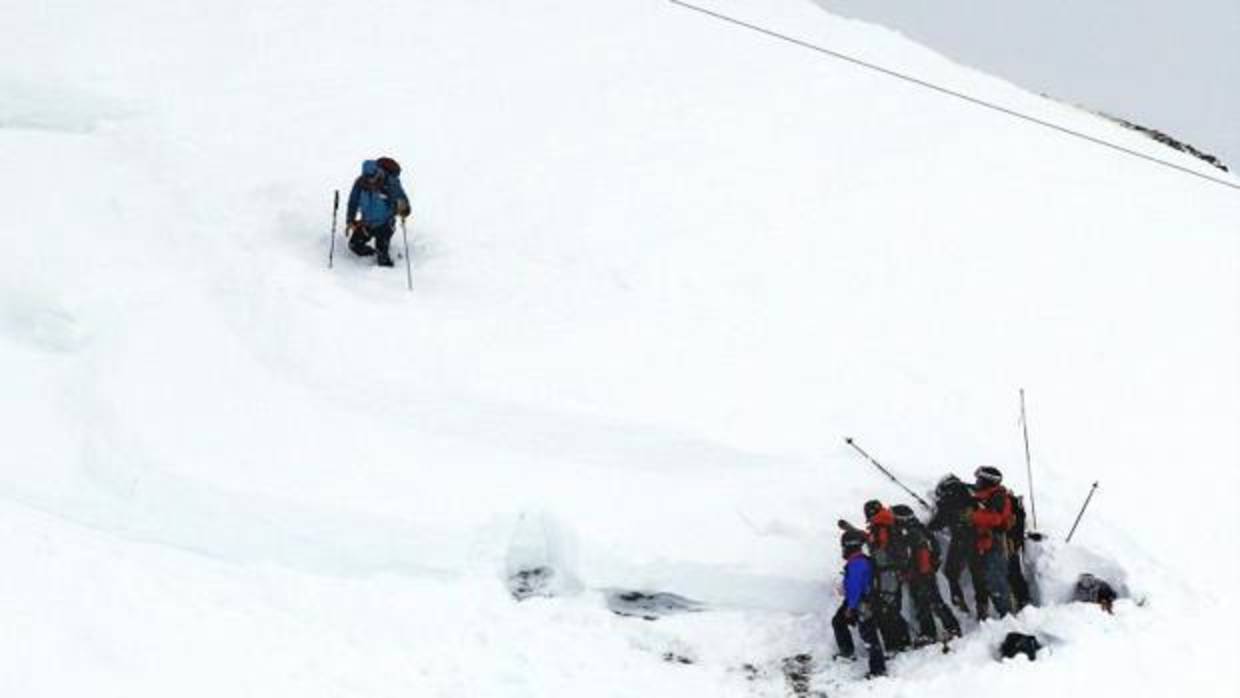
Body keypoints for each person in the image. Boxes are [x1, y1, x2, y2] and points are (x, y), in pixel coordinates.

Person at [892, 504, 961, 644]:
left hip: (921, 575)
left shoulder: (912, 533)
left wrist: (917, 573)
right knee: (927, 603)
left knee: (931, 603)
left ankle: (947, 629)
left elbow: (920, 555)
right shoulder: (919, 528)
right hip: (925, 573)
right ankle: (937, 631)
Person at [928, 474, 988, 616]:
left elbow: (937, 523)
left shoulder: (948, 499)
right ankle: (982, 607)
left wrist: (927, 525)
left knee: (951, 571)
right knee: (977, 574)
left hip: (961, 539)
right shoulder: (969, 494)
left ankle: (958, 602)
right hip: (978, 538)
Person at [830, 529, 887, 678]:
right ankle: (847, 652)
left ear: (849, 546)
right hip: (862, 601)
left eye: (843, 546)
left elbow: (855, 587)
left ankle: (878, 670)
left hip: (861, 603)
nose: (842, 549)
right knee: (838, 622)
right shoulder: (861, 560)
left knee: (869, 635)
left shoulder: (856, 564)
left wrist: (851, 608)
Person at [968, 466, 1015, 618]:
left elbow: (996, 519)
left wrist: (972, 517)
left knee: (996, 580)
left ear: (987, 481)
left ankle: (1007, 615)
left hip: (994, 542)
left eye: (979, 479)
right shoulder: (984, 494)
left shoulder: (998, 497)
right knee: (979, 579)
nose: (977, 482)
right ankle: (982, 613)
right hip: (980, 542)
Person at [345, 157, 410, 267]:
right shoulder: (360, 184)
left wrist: (403, 208)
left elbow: (403, 201)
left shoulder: (390, 183)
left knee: (383, 260)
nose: (371, 180)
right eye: (368, 177)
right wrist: (350, 220)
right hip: (367, 224)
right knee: (354, 245)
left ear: (377, 172)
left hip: (384, 225)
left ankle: (385, 265)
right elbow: (353, 202)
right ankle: (373, 252)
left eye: (373, 177)